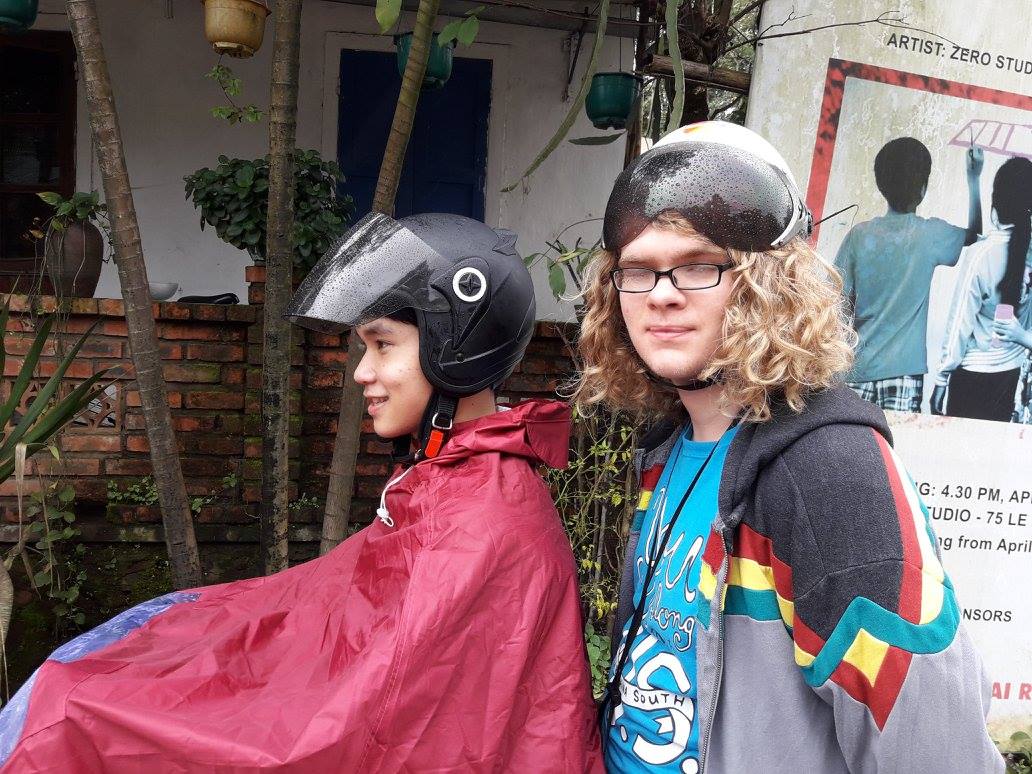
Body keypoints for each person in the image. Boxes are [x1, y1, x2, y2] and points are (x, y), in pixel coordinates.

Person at [0, 213, 603, 772]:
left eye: (383, 344)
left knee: (76, 710)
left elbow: (366, 726)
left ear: (456, 349)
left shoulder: (479, 520)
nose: (363, 371)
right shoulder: (459, 475)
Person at [575, 121, 1003, 772]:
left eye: (697, 265)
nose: (662, 294)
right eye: (638, 271)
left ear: (764, 283)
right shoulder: (667, 450)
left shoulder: (829, 474)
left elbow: (937, 755)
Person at [835, 136, 983, 413]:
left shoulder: (859, 236)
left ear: (881, 185)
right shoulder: (931, 235)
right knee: (895, 452)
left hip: (857, 369)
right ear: (923, 187)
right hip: (905, 370)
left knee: (855, 450)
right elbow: (974, 233)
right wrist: (973, 177)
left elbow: (840, 305)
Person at [932, 156, 1032, 421]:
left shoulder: (980, 254)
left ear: (996, 203)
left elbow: (959, 325)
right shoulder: (1028, 252)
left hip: (972, 379)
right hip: (1011, 377)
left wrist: (941, 378)